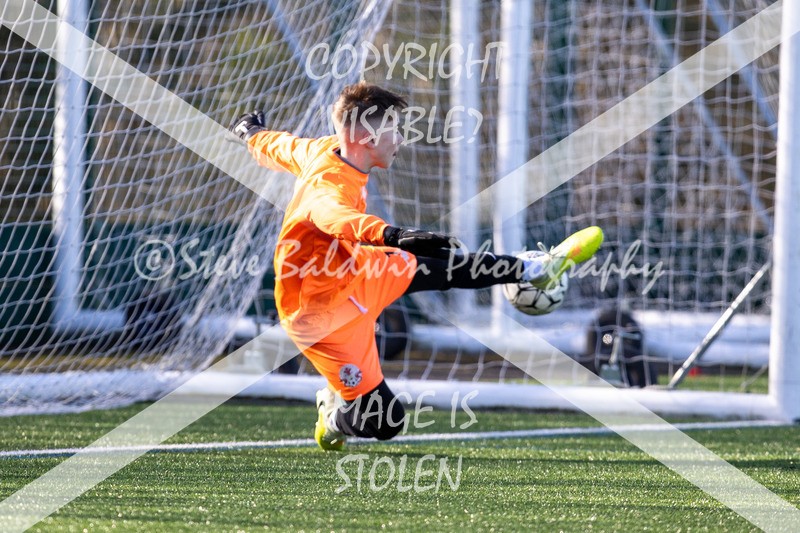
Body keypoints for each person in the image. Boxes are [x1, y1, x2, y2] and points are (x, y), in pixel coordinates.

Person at [230, 82, 603, 450]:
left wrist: (252, 133)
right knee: (386, 422)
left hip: (358, 272)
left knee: (438, 266)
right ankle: (333, 414)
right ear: (368, 140)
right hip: (321, 316)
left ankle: (530, 270)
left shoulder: (323, 150)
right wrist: (392, 235)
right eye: (394, 130)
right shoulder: (329, 186)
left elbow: (281, 147)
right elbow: (335, 218)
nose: (400, 140)